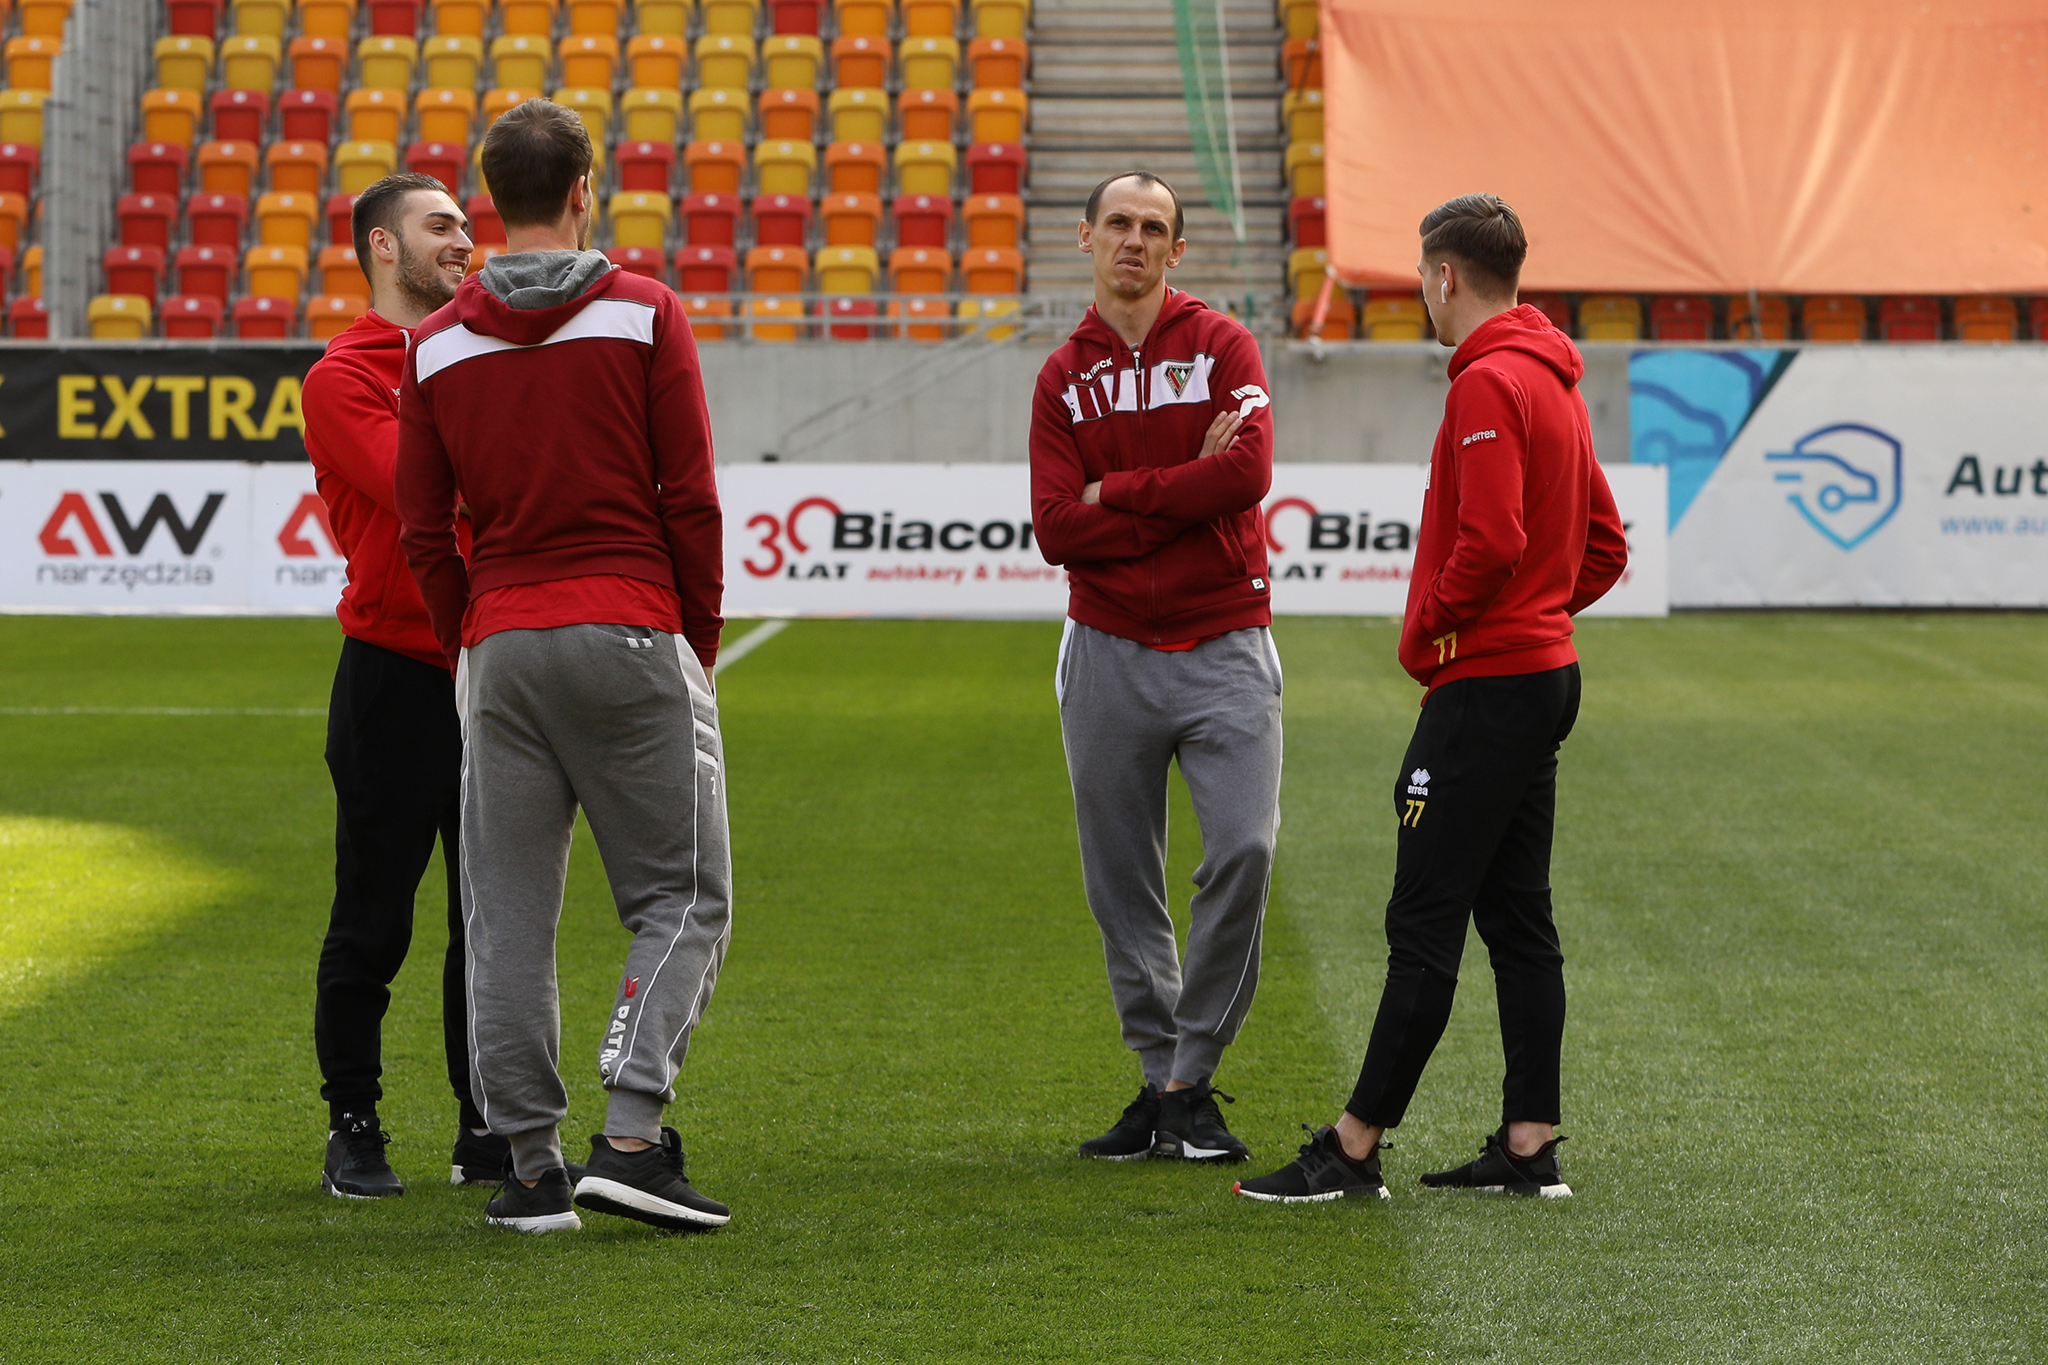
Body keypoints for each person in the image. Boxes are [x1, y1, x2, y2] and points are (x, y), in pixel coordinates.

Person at [1236, 193, 1627, 1204]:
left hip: (1487, 685)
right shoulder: (1556, 380)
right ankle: (1528, 1144)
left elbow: (1491, 543)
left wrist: (1430, 634)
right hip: (1540, 675)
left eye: (1421, 276)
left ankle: (1351, 1147)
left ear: (1445, 275)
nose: (1420, 292)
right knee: (1519, 918)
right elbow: (1604, 545)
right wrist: (1539, 617)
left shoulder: (1489, 382)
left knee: (1423, 920)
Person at [394, 100, 730, 1235]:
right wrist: (696, 642)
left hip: (500, 643)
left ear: (491, 199)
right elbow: (690, 496)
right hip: (628, 623)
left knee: (506, 916)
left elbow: (424, 530)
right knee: (682, 895)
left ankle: (531, 1170)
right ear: (585, 188)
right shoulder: (644, 310)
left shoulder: (435, 343)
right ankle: (630, 1135)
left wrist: (468, 639)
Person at [1029, 171, 1281, 1166]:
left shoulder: (1223, 346)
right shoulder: (1061, 378)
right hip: (1105, 649)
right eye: (1118, 224)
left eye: (1153, 228)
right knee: (1120, 881)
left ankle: (1190, 1074)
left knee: (1244, 851)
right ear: (1085, 236)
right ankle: (1160, 1082)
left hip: (1225, 642)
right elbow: (1056, 527)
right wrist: (1184, 490)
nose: (1133, 240)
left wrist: (1119, 492)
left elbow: (1246, 472)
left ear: (1176, 251)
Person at [304, 172, 500, 1199]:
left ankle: (486, 1128)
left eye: (465, 224)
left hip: (490, 668)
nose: (464, 240)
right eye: (440, 226)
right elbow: (420, 493)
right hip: (390, 676)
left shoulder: (485, 354)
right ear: (383, 246)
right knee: (374, 918)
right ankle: (354, 1122)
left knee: (491, 922)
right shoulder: (343, 375)